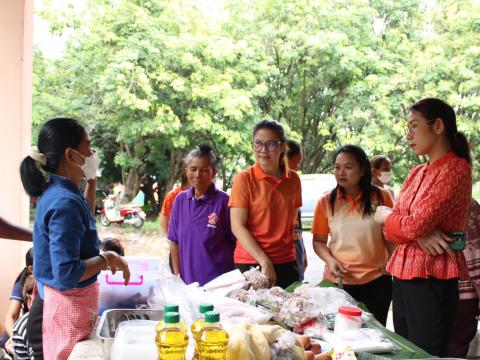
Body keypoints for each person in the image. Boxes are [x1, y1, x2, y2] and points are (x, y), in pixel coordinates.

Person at [19, 117, 130, 360]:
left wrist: (92, 179)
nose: (92, 153)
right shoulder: (64, 201)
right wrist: (107, 258)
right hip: (62, 309)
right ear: (70, 155)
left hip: (61, 305)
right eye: (88, 147)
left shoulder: (65, 192)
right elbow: (67, 273)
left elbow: (81, 220)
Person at [374, 98, 472, 356]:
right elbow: (396, 231)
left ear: (438, 125)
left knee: (426, 354)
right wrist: (417, 235)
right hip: (403, 275)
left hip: (432, 276)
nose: (408, 135)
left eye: (414, 126)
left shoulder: (455, 169)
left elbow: (410, 224)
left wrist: (385, 215)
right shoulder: (416, 173)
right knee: (405, 351)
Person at [311, 145, 394, 325]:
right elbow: (318, 241)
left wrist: (392, 266)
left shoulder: (381, 197)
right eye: (337, 167)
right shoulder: (325, 202)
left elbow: (391, 236)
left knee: (376, 335)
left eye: (348, 167)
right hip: (339, 281)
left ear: (363, 170)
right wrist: (330, 261)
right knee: (342, 335)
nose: (341, 172)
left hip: (377, 281)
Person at [229, 120, 302, 289]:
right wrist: (264, 261)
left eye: (270, 144)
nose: (263, 150)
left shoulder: (294, 179)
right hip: (251, 262)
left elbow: (291, 221)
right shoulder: (244, 178)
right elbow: (237, 226)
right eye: (258, 144)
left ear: (282, 146)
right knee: (254, 315)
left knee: (288, 313)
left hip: (286, 260)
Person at [168, 143, 235, 286]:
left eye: (204, 170)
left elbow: (237, 243)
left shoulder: (224, 202)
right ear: (186, 171)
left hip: (218, 285)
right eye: (193, 169)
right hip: (187, 285)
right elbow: (174, 242)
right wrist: (177, 277)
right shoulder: (180, 200)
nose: (198, 174)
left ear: (213, 173)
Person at [448, 199, 480, 358]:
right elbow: (474, 252)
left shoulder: (421, 199)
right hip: (463, 294)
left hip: (427, 289)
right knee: (456, 348)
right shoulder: (466, 205)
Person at [1, 248, 33, 356]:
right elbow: (11, 316)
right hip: (23, 329)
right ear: (31, 269)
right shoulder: (23, 283)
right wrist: (13, 337)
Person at [286, 140, 307, 281]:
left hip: (296, 249)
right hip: (284, 254)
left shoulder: (294, 181)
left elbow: (296, 225)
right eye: (296, 161)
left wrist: (303, 252)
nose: (298, 166)